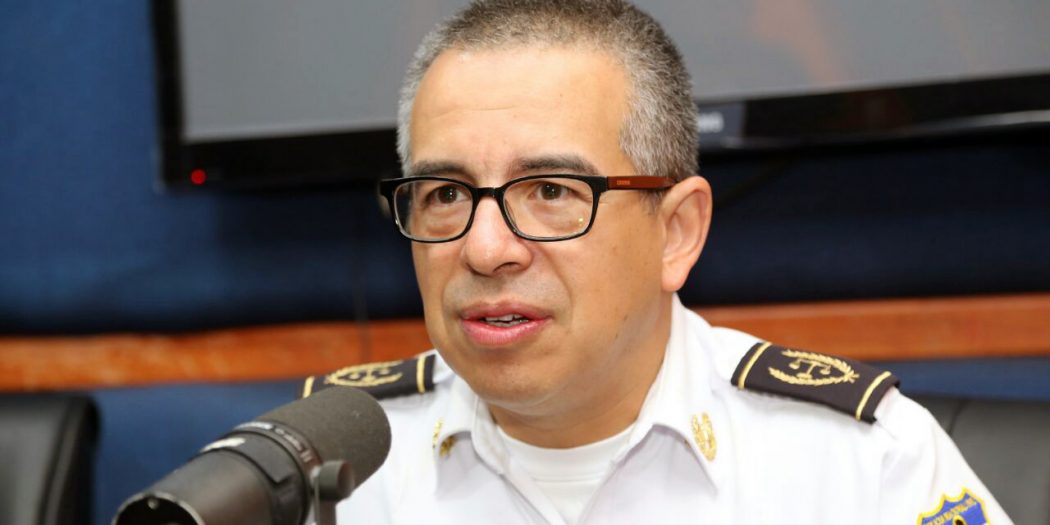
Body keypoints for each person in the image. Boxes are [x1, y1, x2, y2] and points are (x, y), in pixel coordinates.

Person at [303, 1, 1012, 523]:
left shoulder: (859, 465)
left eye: (551, 192)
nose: (486, 249)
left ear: (677, 232)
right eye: (447, 194)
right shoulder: (317, 471)